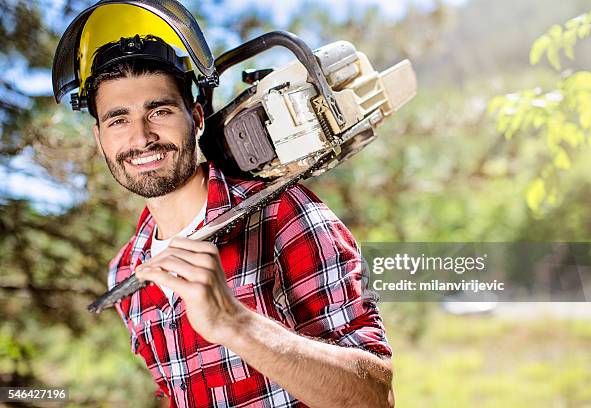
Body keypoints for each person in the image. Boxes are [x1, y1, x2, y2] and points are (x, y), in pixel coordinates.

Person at [53, 1, 394, 407]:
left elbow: (375, 396)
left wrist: (235, 323)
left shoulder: (283, 212)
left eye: (159, 111)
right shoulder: (126, 271)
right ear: (100, 138)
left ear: (196, 117)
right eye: (118, 119)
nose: (141, 137)